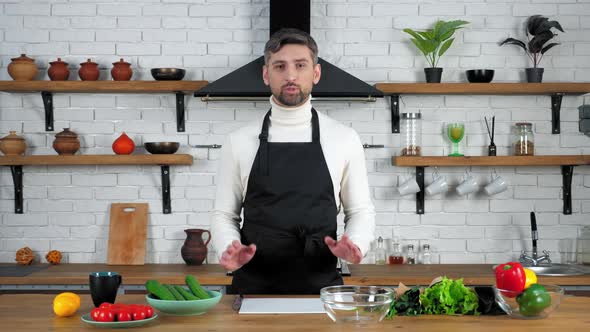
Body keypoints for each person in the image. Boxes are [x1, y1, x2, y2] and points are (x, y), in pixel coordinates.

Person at [211, 28, 375, 294]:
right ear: (266, 75)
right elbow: (224, 215)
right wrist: (228, 246)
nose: (290, 75)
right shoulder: (238, 140)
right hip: (253, 290)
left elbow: (360, 211)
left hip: (322, 291)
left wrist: (356, 244)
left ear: (316, 73)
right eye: (279, 66)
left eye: (300, 65)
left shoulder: (344, 138)